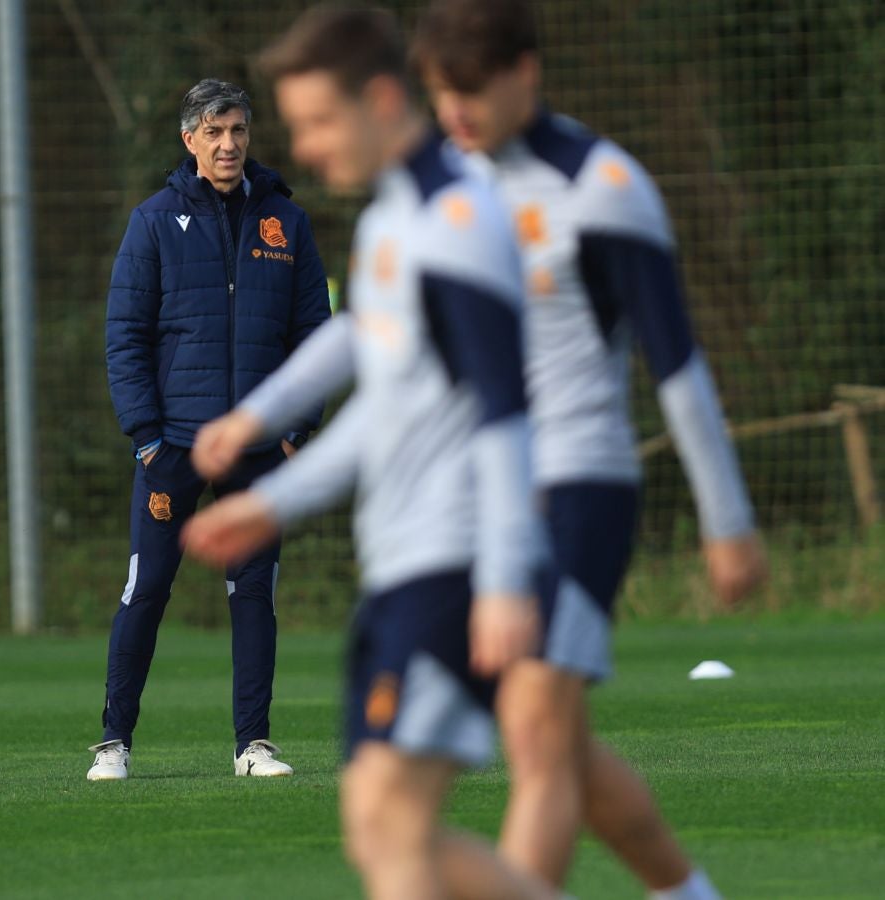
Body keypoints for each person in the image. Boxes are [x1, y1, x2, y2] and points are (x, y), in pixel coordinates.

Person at [184, 9, 555, 898]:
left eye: (316, 122)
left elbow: (506, 412)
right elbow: (374, 376)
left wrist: (504, 578)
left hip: (458, 564)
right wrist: (266, 458)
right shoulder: (399, 217)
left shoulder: (457, 224)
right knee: (381, 830)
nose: (301, 148)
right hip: (404, 566)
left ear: (382, 101)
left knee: (393, 828)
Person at [410, 0, 768, 895]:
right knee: (560, 742)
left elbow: (677, 365)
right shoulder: (439, 185)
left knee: (534, 735)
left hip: (580, 488)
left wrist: (727, 521)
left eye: (472, 93)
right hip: (486, 501)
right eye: (439, 95)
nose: (455, 115)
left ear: (525, 73)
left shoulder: (606, 187)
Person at [89, 78, 332, 781]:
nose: (229, 145)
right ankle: (113, 742)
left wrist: (295, 431)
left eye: (239, 132)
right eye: (215, 132)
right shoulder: (153, 222)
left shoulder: (286, 221)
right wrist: (146, 435)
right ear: (190, 140)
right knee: (149, 587)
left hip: (259, 450)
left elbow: (315, 332)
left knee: (254, 592)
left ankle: (252, 746)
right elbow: (124, 337)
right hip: (172, 449)